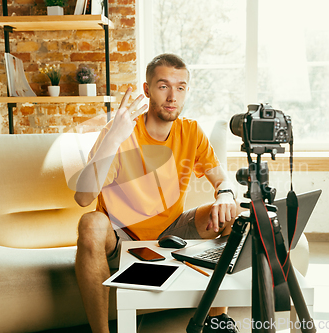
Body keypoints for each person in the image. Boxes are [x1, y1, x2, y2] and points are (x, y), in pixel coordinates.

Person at [74, 53, 241, 333]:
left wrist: (225, 194)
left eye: (181, 87)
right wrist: (114, 137)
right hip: (120, 235)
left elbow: (221, 179)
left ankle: (215, 320)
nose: (172, 96)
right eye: (163, 86)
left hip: (171, 230)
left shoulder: (191, 132)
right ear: (147, 89)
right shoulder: (120, 131)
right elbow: (82, 198)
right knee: (90, 223)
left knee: (232, 214)